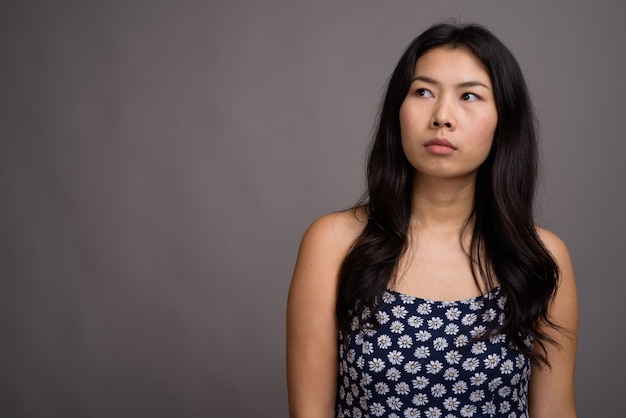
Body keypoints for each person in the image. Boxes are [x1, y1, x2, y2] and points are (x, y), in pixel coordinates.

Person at [286, 22, 578, 418]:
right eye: (423, 91)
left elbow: (556, 411)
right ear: (398, 112)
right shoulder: (334, 242)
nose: (442, 116)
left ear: (503, 123)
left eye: (470, 96)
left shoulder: (541, 257)